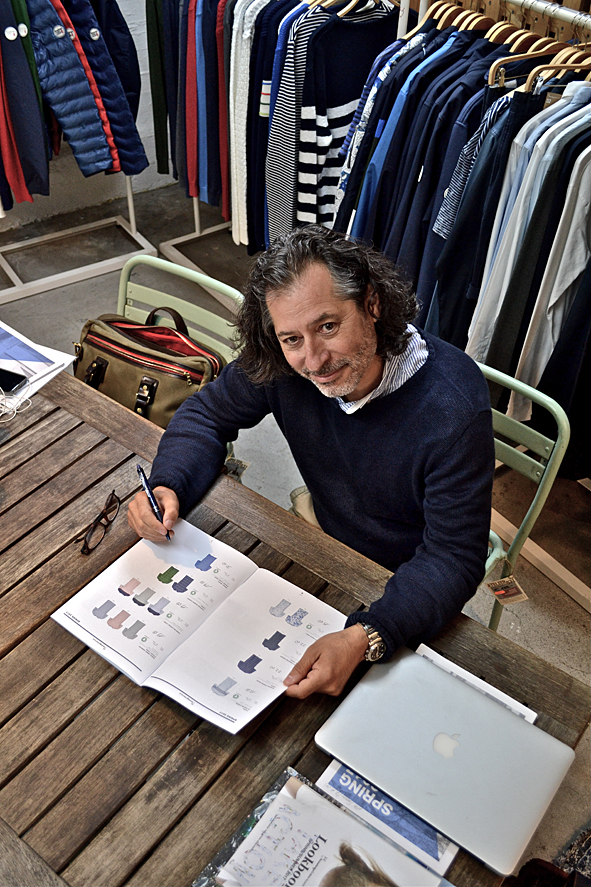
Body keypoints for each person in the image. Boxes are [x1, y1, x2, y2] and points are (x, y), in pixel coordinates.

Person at [128, 226, 494, 699]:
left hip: (407, 579)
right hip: (322, 543)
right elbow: (207, 413)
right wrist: (169, 484)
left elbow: (453, 556)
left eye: (328, 327)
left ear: (372, 303)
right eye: (292, 338)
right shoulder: (283, 363)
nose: (314, 360)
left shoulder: (453, 407)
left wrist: (369, 635)